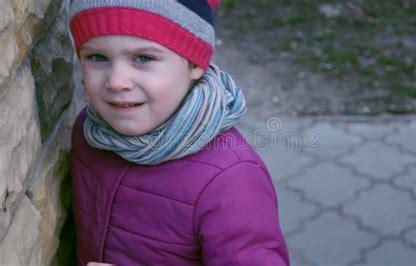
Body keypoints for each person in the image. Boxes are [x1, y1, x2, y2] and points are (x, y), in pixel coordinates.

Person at [69, 0, 289, 265]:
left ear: (195, 62)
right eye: (98, 58)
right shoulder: (90, 131)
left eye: (143, 58)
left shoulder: (230, 178)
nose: (116, 81)